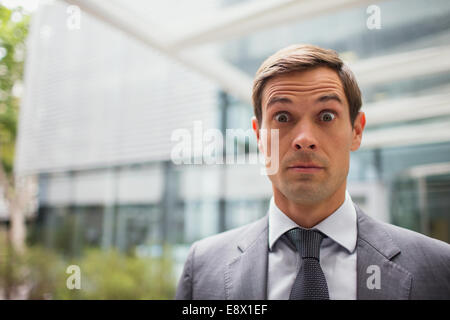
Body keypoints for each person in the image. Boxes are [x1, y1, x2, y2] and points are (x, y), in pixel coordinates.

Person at [175, 44, 450, 300]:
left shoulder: (438, 267)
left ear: (356, 131)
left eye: (326, 116)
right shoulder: (202, 267)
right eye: (282, 117)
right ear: (259, 137)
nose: (304, 138)